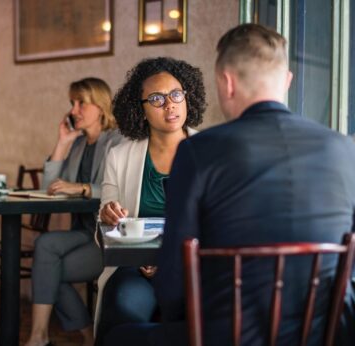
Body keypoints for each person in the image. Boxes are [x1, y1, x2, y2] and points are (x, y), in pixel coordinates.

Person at [104, 24, 355, 346]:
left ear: (226, 82)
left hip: (228, 334)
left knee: (119, 337)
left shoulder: (200, 151)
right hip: (325, 333)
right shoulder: (344, 149)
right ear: (288, 80)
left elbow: (174, 281)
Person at [95, 57, 206, 345]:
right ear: (140, 110)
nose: (169, 104)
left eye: (176, 94)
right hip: (135, 266)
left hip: (195, 268)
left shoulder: (211, 151)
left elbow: (221, 225)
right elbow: (105, 223)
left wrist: (173, 264)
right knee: (122, 307)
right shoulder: (119, 156)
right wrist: (108, 214)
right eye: (156, 98)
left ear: (186, 99)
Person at [24, 77, 124, 346]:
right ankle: (45, 336)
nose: (73, 110)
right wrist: (62, 142)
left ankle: (46, 337)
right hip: (82, 232)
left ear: (101, 107)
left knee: (48, 269)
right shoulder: (79, 144)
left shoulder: (118, 141)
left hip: (107, 237)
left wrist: (81, 188)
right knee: (44, 245)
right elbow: (50, 190)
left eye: (82, 103)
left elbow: (119, 189)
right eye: (72, 103)